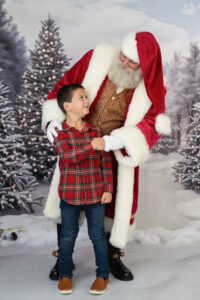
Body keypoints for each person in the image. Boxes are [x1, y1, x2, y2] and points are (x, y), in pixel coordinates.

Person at [42, 31, 171, 282]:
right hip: (78, 144)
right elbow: (63, 87)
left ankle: (113, 258)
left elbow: (152, 123)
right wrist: (51, 121)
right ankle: (63, 258)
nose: (124, 64)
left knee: (114, 204)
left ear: (145, 66)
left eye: (132, 63)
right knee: (68, 199)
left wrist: (120, 140)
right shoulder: (96, 58)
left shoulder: (153, 87)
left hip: (115, 154)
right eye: (124, 57)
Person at [53, 84, 113, 295]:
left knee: (97, 235)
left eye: (86, 97)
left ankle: (102, 275)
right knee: (68, 236)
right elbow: (68, 157)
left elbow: (105, 162)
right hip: (70, 195)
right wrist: (91, 146)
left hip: (95, 194)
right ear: (68, 106)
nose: (87, 101)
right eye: (81, 98)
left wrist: (108, 189)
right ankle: (65, 274)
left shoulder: (97, 132)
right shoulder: (59, 132)